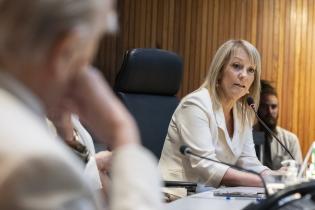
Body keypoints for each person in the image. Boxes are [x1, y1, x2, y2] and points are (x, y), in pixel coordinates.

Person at [0, 0, 162, 209]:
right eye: (95, 42)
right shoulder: (35, 165)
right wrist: (123, 133)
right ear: (66, 50)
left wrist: (71, 145)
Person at [159, 39, 270, 198]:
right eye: (236, 66)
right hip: (174, 197)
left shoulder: (242, 112)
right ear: (219, 71)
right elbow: (207, 167)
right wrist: (264, 181)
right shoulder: (195, 105)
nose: (243, 75)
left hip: (208, 196)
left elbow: (249, 161)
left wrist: (275, 176)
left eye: (251, 69)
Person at [254, 80, 303, 170]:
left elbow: (298, 172)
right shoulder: (247, 136)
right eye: (264, 106)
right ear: (257, 108)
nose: (270, 112)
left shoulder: (290, 140)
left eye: (273, 107)